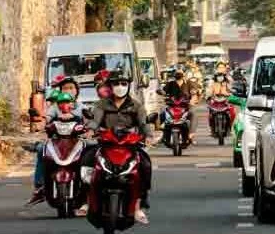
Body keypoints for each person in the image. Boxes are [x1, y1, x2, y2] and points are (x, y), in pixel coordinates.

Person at [87, 72, 153, 224]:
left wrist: (148, 136)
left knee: (145, 164)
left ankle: (139, 204)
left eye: (124, 84)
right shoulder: (101, 104)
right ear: (110, 86)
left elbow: (143, 124)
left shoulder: (136, 105)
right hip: (107, 144)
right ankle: (85, 200)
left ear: (128, 86)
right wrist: (90, 130)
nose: (120, 87)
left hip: (129, 145)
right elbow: (95, 121)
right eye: (116, 84)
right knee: (86, 158)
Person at [28, 86, 83, 205]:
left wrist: (87, 129)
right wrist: (41, 124)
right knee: (42, 150)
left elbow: (87, 125)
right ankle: (40, 186)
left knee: (89, 153)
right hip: (56, 145)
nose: (64, 105)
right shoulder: (53, 113)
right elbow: (45, 121)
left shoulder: (79, 115)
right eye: (61, 103)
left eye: (67, 102)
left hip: (73, 145)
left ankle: (88, 185)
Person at [162, 68, 196, 140]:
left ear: (183, 75)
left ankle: (191, 133)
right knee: (162, 115)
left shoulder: (188, 83)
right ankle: (162, 135)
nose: (178, 74)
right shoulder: (170, 83)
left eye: (180, 73)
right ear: (174, 75)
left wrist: (192, 98)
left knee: (193, 114)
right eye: (177, 73)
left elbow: (193, 92)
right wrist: (162, 92)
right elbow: (164, 91)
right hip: (172, 106)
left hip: (185, 106)